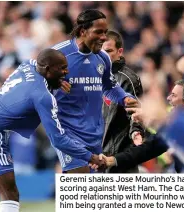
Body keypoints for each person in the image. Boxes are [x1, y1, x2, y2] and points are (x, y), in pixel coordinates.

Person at [0, 49, 104, 212]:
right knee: (10, 194)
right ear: (47, 69)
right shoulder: (42, 96)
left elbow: (37, 76)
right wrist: (90, 157)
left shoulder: (28, 65)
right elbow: (58, 139)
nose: (66, 73)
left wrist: (55, 82)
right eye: (61, 68)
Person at [51, 9, 138, 173]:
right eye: (98, 32)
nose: (104, 37)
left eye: (105, 32)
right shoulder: (58, 54)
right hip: (67, 132)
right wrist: (53, 83)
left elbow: (110, 86)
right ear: (83, 31)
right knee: (80, 177)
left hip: (95, 134)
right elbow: (36, 81)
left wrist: (124, 98)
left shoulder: (103, 58)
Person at [101, 30, 144, 173]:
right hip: (97, 155)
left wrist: (136, 132)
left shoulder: (128, 79)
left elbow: (135, 112)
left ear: (120, 52)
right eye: (100, 51)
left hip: (119, 155)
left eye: (108, 51)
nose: (103, 56)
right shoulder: (93, 76)